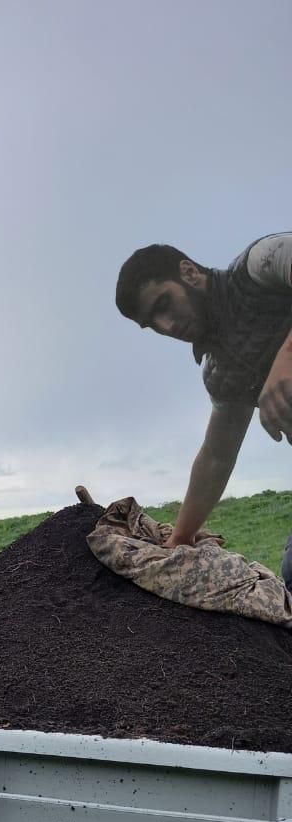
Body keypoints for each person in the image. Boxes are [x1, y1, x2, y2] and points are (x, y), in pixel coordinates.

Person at [115, 234, 292, 585]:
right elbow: (216, 456)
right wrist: (180, 538)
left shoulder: (262, 265)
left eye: (164, 303)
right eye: (153, 323)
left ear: (188, 272)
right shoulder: (221, 371)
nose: (167, 326)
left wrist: (287, 359)